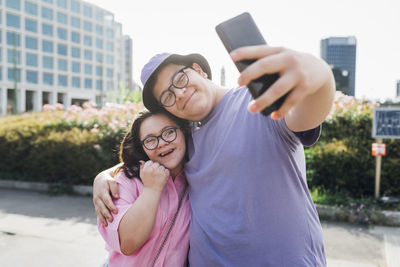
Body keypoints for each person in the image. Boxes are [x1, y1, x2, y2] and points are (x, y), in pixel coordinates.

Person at [94, 44, 335, 266]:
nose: (178, 94)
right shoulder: (185, 136)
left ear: (199, 70)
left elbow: (306, 115)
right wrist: (105, 176)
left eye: (180, 79)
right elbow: (154, 152)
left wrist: (320, 75)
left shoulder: (257, 101)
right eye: (167, 97)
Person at [97, 110, 191, 267]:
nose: (161, 143)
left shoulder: (197, 180)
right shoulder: (125, 181)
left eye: (169, 132)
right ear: (142, 149)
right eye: (150, 140)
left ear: (184, 131)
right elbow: (128, 242)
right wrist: (152, 189)